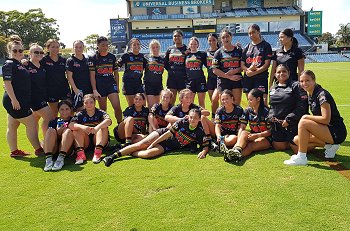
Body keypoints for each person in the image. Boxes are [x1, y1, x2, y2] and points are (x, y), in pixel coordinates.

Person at [103, 109, 210, 167]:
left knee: (147, 154)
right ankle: (112, 156)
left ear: (199, 119)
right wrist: (153, 143)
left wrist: (204, 153)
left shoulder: (200, 131)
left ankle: (127, 150)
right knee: (141, 145)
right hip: (161, 135)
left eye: (195, 118)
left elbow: (205, 145)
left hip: (168, 146)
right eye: (191, 117)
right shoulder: (182, 122)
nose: (192, 120)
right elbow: (167, 134)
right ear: (188, 116)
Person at [284, 70, 347, 166]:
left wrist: (306, 117)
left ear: (314, 81)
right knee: (298, 140)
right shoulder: (311, 94)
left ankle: (301, 157)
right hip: (327, 130)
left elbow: (326, 119)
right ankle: (329, 146)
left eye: (307, 80)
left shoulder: (322, 94)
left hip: (336, 131)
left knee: (304, 122)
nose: (304, 83)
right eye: (301, 81)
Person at [2, 35, 44, 157]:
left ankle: (14, 151)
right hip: (15, 101)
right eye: (14, 50)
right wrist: (14, 100)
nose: (18, 52)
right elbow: (7, 83)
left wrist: (24, 62)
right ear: (9, 51)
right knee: (31, 123)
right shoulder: (9, 64)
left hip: (19, 100)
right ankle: (39, 149)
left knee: (12, 125)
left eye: (20, 50)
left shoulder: (18, 63)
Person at [268, 64, 308, 151]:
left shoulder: (296, 85)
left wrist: (289, 119)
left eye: (284, 71)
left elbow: (302, 107)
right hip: (278, 125)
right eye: (278, 72)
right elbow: (271, 106)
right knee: (279, 147)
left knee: (297, 147)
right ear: (275, 74)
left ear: (289, 73)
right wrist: (270, 116)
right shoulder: (273, 88)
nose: (281, 73)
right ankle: (292, 142)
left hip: (293, 123)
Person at [226, 89, 271, 162]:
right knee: (244, 133)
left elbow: (270, 131)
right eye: (248, 99)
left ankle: (236, 156)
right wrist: (239, 139)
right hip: (253, 135)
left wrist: (257, 135)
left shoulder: (266, 112)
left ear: (258, 99)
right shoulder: (248, 110)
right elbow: (242, 127)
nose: (248, 102)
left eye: (251, 99)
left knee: (250, 146)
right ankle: (235, 150)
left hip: (266, 138)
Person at [69, 94, 112, 164]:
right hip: (86, 141)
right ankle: (80, 155)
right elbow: (71, 125)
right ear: (83, 104)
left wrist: (97, 127)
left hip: (99, 139)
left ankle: (97, 153)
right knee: (76, 129)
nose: (89, 104)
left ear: (95, 103)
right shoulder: (80, 114)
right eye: (86, 103)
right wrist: (83, 127)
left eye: (91, 102)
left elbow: (109, 121)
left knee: (103, 127)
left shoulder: (100, 112)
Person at [89, 36, 122, 123]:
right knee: (103, 109)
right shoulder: (93, 58)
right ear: (98, 45)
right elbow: (92, 75)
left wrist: (117, 86)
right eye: (103, 45)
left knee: (117, 107)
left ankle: (120, 126)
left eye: (107, 45)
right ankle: (104, 129)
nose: (105, 47)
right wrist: (94, 90)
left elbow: (116, 73)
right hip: (100, 85)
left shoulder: (112, 57)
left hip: (111, 84)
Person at [26, 43, 54, 136]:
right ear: (30, 53)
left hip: (42, 97)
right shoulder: (25, 66)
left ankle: (38, 146)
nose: (39, 54)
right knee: (49, 117)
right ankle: (47, 141)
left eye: (41, 52)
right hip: (34, 99)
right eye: (36, 52)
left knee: (35, 121)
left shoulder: (42, 65)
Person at [241, 24, 272, 105]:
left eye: (253, 32)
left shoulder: (266, 46)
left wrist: (253, 72)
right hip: (248, 79)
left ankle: (263, 117)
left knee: (263, 101)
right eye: (249, 33)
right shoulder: (247, 47)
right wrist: (247, 70)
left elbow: (266, 65)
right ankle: (252, 117)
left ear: (258, 32)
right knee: (250, 102)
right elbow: (242, 64)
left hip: (260, 77)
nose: (251, 35)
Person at [212, 29, 243, 106]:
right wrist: (228, 76)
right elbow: (215, 70)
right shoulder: (218, 53)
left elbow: (243, 66)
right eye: (223, 37)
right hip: (223, 81)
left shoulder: (239, 50)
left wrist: (234, 71)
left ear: (231, 37)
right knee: (224, 105)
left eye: (227, 36)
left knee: (236, 104)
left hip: (236, 79)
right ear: (221, 39)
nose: (225, 39)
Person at [41, 39, 71, 117]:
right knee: (54, 114)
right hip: (51, 91)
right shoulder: (43, 60)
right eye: (53, 47)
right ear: (48, 48)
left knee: (69, 111)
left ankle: (68, 128)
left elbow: (70, 74)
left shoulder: (64, 60)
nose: (55, 49)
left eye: (57, 47)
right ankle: (55, 129)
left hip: (64, 89)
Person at [43, 100, 74, 171]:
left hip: (67, 149)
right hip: (54, 148)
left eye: (67, 109)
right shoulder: (53, 121)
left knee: (68, 131)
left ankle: (60, 159)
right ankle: (48, 159)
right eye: (62, 109)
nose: (64, 112)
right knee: (50, 130)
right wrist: (58, 131)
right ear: (58, 111)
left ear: (70, 110)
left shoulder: (74, 120)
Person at [116, 38, 146, 106]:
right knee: (131, 105)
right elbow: (116, 66)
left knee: (143, 104)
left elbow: (147, 69)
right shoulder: (126, 56)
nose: (136, 46)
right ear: (131, 46)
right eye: (134, 44)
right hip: (128, 83)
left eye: (138, 44)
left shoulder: (143, 57)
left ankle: (142, 117)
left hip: (138, 83)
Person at [66, 40, 92, 111]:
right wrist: (76, 90)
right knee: (80, 111)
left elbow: (91, 75)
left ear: (83, 48)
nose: (78, 49)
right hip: (78, 90)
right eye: (76, 47)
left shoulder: (88, 59)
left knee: (89, 109)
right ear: (73, 48)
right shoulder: (70, 60)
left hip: (89, 89)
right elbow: (69, 77)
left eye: (80, 47)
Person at [165, 30, 188, 105]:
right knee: (171, 99)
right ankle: (170, 115)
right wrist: (171, 70)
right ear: (172, 38)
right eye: (175, 36)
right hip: (172, 78)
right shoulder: (170, 49)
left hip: (183, 78)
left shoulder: (187, 49)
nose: (176, 37)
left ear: (182, 37)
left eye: (178, 36)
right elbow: (165, 62)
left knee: (184, 100)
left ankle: (184, 116)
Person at [185, 37, 208, 109]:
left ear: (198, 45)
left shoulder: (202, 54)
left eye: (195, 44)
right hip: (190, 81)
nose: (193, 45)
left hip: (200, 80)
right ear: (189, 45)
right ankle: (192, 118)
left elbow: (209, 64)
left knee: (201, 102)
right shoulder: (186, 55)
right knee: (190, 102)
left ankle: (202, 119)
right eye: (191, 44)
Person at [144, 39, 165, 108]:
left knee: (157, 107)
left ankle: (155, 119)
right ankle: (149, 119)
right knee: (151, 106)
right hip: (149, 85)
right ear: (150, 48)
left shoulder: (163, 60)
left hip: (158, 85)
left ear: (159, 47)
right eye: (153, 47)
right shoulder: (146, 58)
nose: (155, 49)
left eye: (157, 47)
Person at [206, 33, 220, 119]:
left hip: (220, 79)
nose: (212, 42)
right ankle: (214, 118)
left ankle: (221, 118)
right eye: (210, 40)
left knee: (217, 99)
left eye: (214, 40)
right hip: (210, 79)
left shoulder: (221, 51)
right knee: (213, 101)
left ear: (217, 40)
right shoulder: (206, 53)